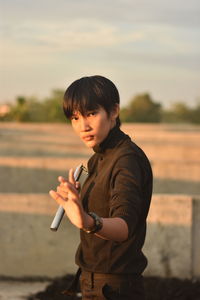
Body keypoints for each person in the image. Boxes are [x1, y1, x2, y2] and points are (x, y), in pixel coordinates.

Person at [49, 75, 153, 300]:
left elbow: (124, 226)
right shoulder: (98, 159)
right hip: (94, 280)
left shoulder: (126, 159)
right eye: (75, 118)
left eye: (91, 114)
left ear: (113, 111)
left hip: (115, 287)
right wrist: (77, 199)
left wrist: (88, 222)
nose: (83, 126)